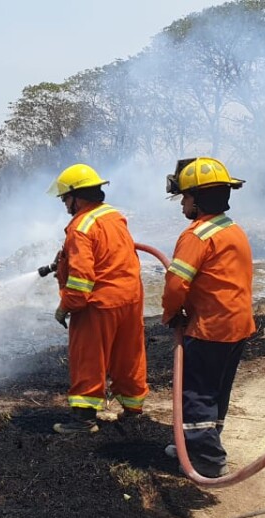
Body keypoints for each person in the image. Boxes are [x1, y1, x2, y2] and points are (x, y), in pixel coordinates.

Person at [160, 157, 255, 479]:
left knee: (197, 394)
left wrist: (171, 313)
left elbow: (176, 284)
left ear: (198, 199)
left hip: (210, 328)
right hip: (237, 325)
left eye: (185, 197)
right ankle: (195, 445)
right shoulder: (233, 230)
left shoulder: (197, 235)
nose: (182, 204)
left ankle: (206, 460)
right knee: (216, 391)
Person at [47, 163, 148, 434]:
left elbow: (81, 280)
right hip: (130, 298)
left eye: (65, 199)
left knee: (88, 359)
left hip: (98, 304)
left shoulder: (80, 227)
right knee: (129, 356)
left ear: (76, 197)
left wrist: (66, 306)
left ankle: (83, 419)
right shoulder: (113, 216)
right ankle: (133, 410)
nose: (65, 205)